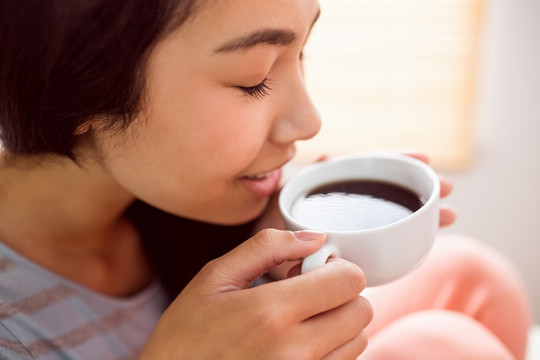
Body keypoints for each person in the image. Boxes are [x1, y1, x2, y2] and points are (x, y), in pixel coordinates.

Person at [0, 0, 531, 359]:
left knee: (472, 273)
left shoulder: (156, 193)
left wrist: (273, 237)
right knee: (438, 345)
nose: (310, 123)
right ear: (73, 87)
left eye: (300, 53)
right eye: (253, 79)